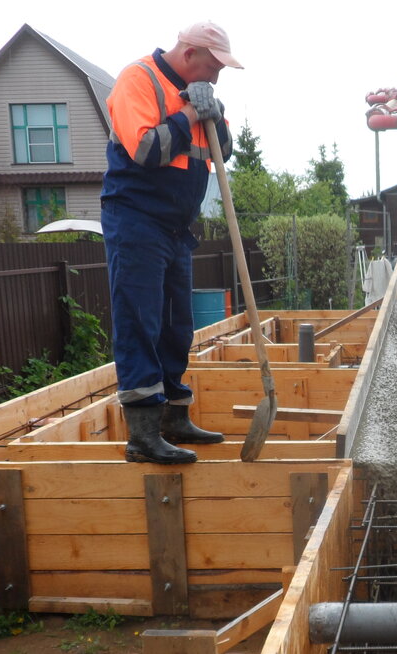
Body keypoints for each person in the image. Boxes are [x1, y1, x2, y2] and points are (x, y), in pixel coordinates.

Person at [102, 21, 241, 463]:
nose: (217, 77)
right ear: (189, 53)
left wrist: (213, 114)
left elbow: (225, 150)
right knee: (140, 323)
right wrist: (189, 116)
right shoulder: (138, 80)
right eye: (214, 66)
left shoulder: (199, 96)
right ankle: (143, 434)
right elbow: (146, 151)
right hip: (137, 222)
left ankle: (174, 417)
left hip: (177, 229)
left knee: (177, 326)